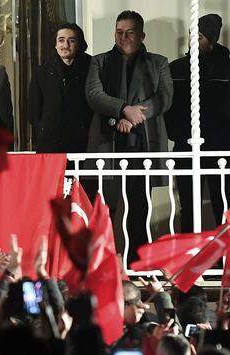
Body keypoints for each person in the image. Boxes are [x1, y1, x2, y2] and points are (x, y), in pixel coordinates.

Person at [85, 10, 173, 263]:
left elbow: (164, 98)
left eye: (129, 32)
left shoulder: (159, 62)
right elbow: (93, 94)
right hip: (107, 144)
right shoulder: (99, 61)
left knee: (139, 207)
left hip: (143, 145)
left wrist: (135, 115)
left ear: (142, 35)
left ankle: (137, 263)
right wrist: (123, 110)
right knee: (106, 207)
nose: (123, 37)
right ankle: (104, 264)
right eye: (119, 32)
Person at [165, 14, 230, 233]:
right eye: (192, 34)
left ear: (211, 39)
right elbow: (168, 107)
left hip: (221, 147)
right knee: (189, 209)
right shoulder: (177, 69)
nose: (194, 39)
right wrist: (177, 134)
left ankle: (225, 264)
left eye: (200, 36)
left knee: (223, 207)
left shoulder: (226, 69)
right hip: (185, 146)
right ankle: (190, 262)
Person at [29, 23, 92, 152]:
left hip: (82, 142)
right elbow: (33, 109)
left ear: (79, 44)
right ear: (55, 44)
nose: (65, 45)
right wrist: (42, 130)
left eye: (71, 41)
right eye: (61, 40)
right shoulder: (42, 71)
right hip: (50, 143)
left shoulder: (91, 67)